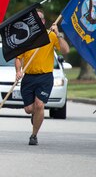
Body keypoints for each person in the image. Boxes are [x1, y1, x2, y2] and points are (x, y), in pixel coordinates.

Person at [14, 9, 69, 146]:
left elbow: (65, 50)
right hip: (29, 77)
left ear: (43, 22)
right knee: (29, 109)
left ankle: (34, 135)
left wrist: (59, 35)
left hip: (45, 77)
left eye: (39, 19)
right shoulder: (24, 36)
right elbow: (18, 58)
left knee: (39, 105)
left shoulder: (50, 36)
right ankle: (35, 115)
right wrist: (18, 71)